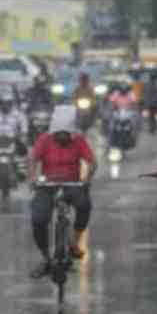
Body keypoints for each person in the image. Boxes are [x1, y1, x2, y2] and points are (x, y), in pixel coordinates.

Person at [26, 105, 96, 276]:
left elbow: (92, 162)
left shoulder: (79, 141)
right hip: (47, 186)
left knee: (84, 205)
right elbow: (33, 160)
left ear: (71, 133)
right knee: (38, 218)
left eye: (66, 135)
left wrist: (86, 180)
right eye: (59, 135)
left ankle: (74, 243)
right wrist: (33, 178)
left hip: (72, 185)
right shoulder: (44, 140)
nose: (62, 138)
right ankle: (45, 257)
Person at [0, 90, 28, 157]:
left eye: (7, 103)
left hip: (13, 138)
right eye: (3, 103)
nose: (5, 105)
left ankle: (21, 162)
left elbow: (24, 124)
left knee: (23, 148)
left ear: (11, 104)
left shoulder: (17, 114)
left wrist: (23, 133)